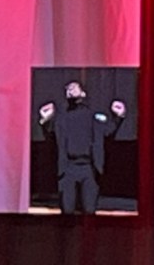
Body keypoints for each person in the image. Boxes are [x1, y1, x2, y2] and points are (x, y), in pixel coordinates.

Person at [38, 80, 126, 214]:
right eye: (68, 89)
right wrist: (45, 120)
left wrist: (119, 116)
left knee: (89, 211)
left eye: (74, 87)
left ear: (83, 93)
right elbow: (50, 136)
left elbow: (108, 131)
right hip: (67, 169)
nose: (70, 90)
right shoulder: (61, 119)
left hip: (89, 169)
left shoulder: (93, 117)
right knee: (67, 211)